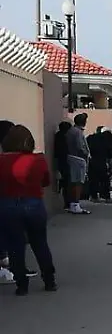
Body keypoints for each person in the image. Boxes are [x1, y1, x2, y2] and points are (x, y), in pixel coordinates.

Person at [0, 124, 57, 295]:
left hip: (8, 205)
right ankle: (49, 281)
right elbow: (46, 181)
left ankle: (21, 285)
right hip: (34, 204)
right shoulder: (38, 160)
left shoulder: (1, 160)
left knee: (15, 246)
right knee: (40, 243)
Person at [65, 113, 91, 214]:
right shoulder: (77, 132)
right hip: (78, 159)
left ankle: (72, 203)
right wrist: (86, 154)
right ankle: (76, 204)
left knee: (73, 182)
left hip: (71, 157)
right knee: (78, 182)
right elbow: (80, 146)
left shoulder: (71, 131)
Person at [86, 124, 112, 201]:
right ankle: (106, 196)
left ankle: (93, 196)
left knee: (93, 180)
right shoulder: (107, 138)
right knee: (105, 180)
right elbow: (109, 155)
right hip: (102, 161)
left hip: (92, 161)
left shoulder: (90, 137)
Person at [52, 121, 71, 206]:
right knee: (67, 183)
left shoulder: (58, 136)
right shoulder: (65, 137)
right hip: (66, 162)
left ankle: (65, 201)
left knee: (63, 183)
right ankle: (67, 202)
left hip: (60, 162)